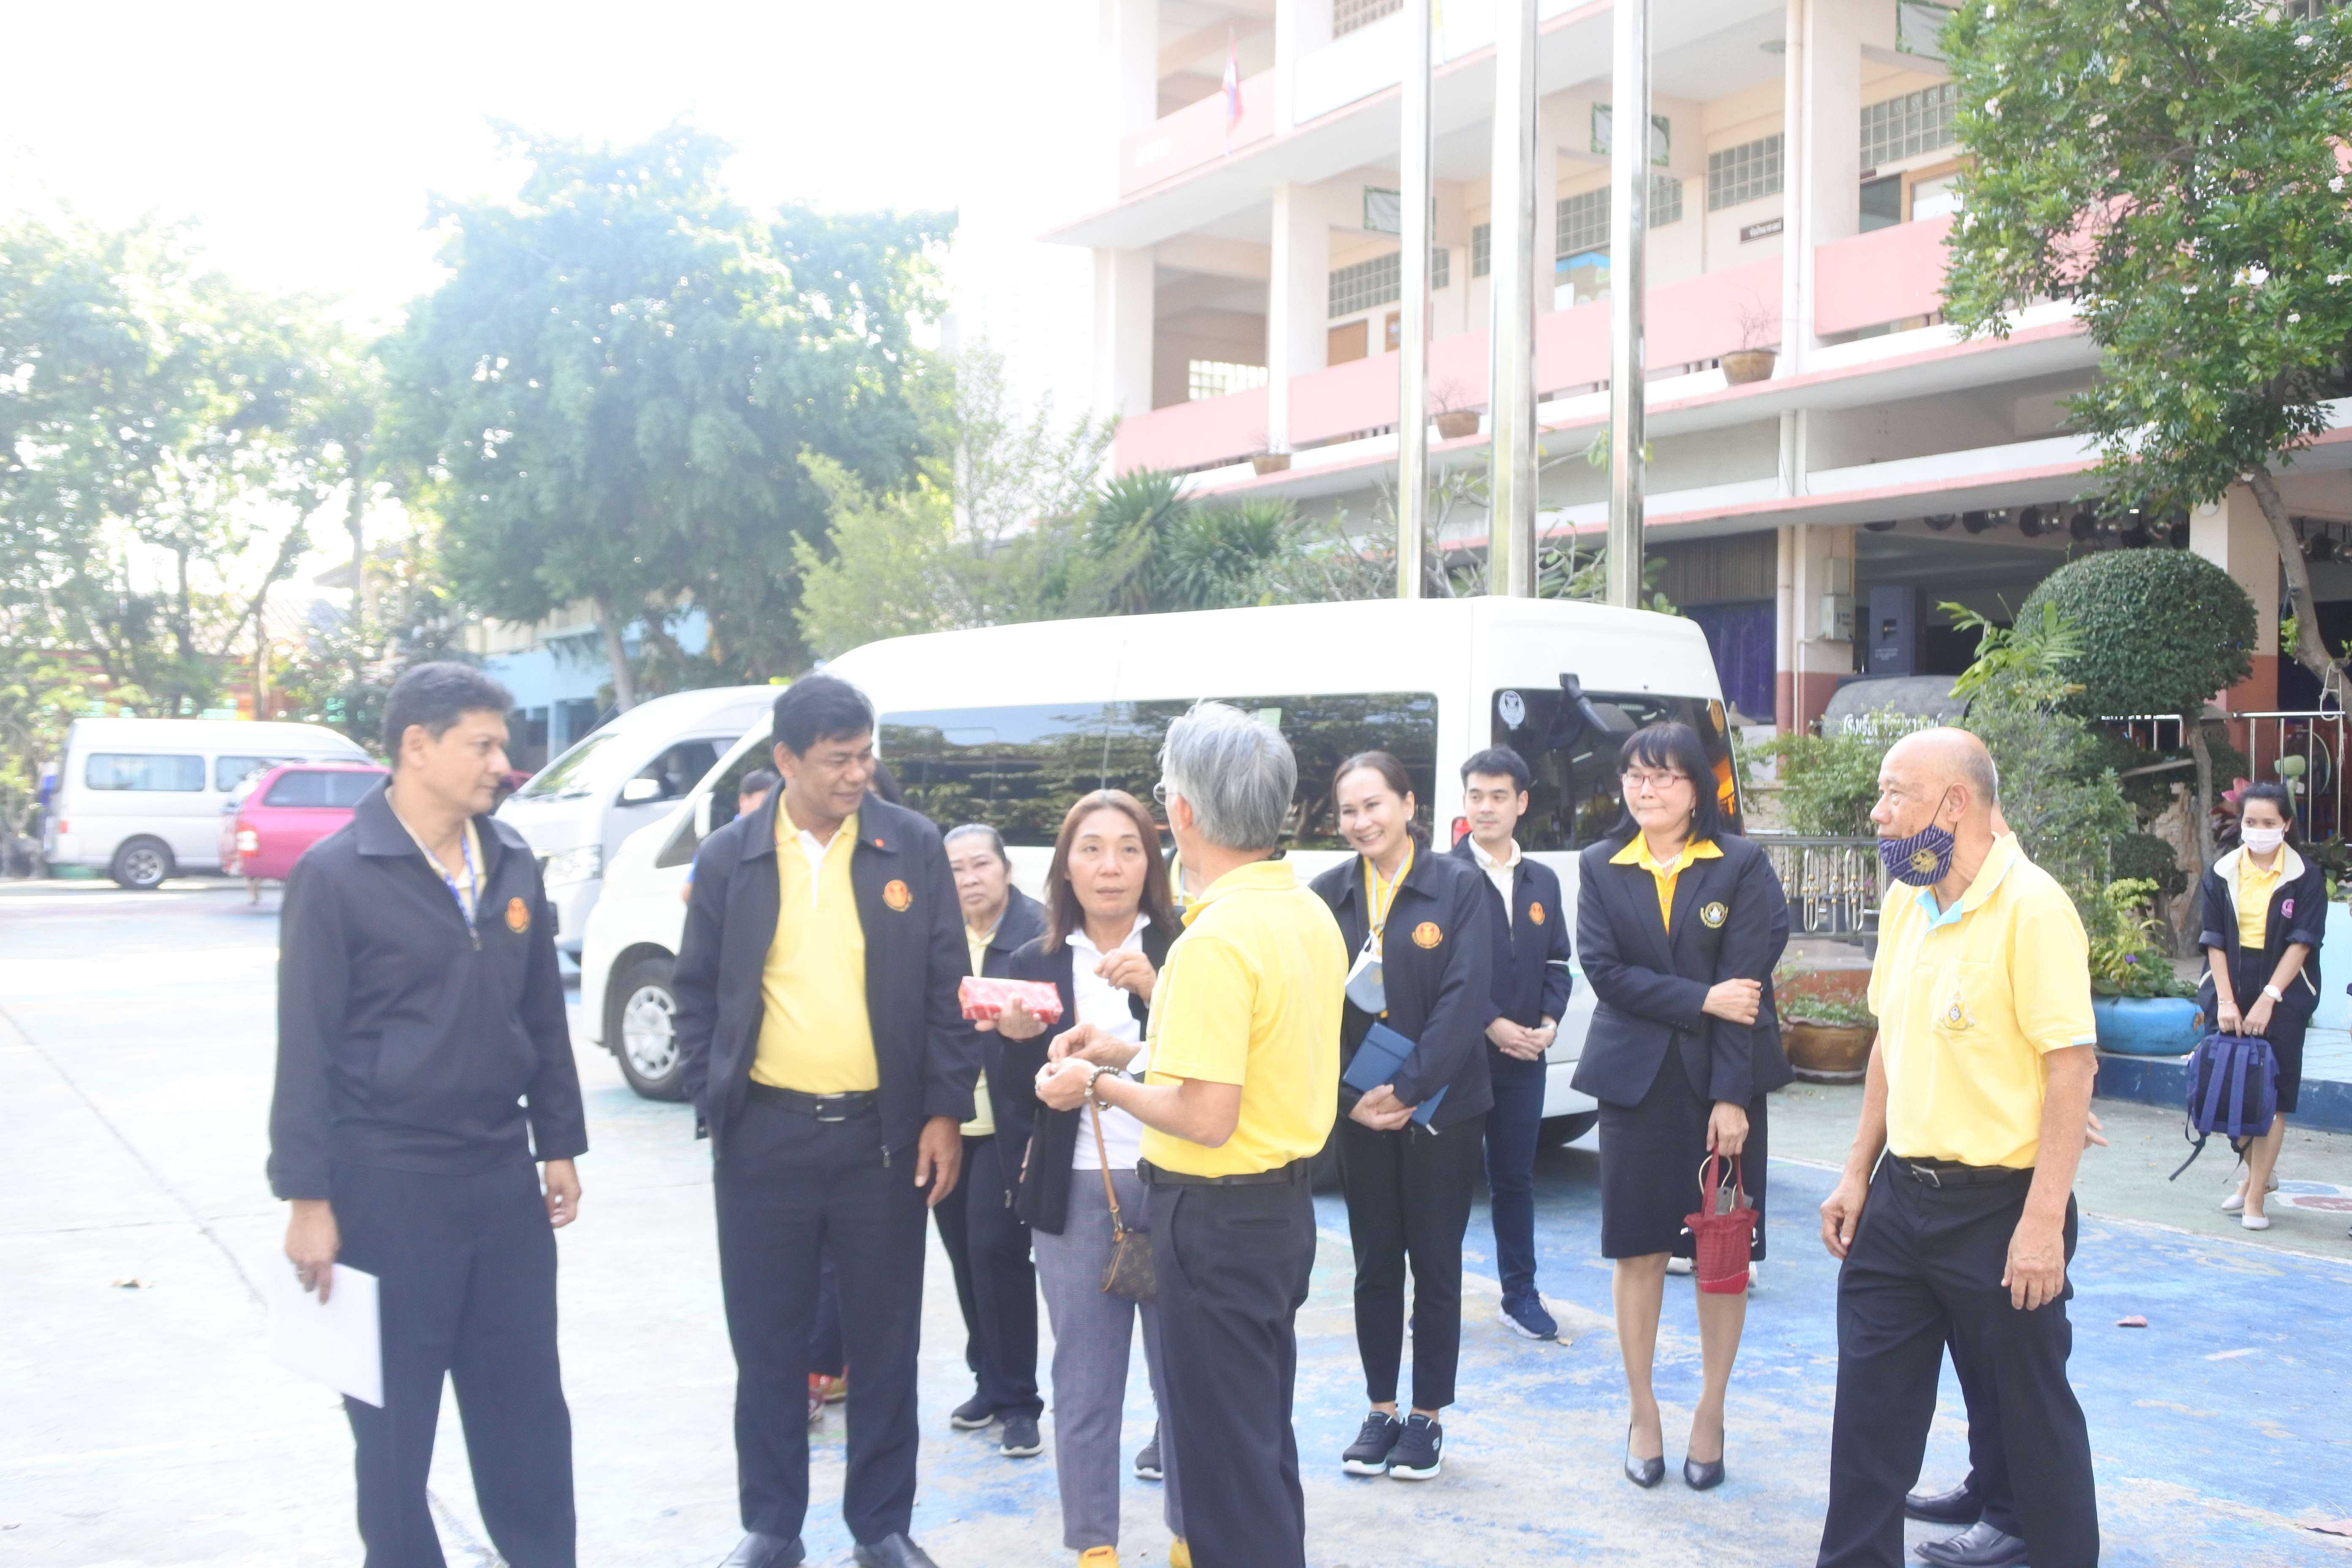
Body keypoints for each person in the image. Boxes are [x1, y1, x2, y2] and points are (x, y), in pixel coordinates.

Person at [271, 662, 587, 1568]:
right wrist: (307, 1199)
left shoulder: (511, 859)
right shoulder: (338, 874)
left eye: (501, 744)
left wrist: (558, 1142)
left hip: (499, 1180)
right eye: (481, 745)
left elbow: (542, 1014)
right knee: (392, 1430)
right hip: (386, 1187)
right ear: (417, 745)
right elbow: (305, 1045)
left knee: (526, 1410)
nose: (501, 764)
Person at [672, 674, 979, 1568]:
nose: (857, 773)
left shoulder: (909, 844)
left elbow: (946, 988)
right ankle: (772, 1524)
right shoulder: (731, 856)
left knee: (885, 1341)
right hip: (763, 1137)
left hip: (880, 1140)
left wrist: (943, 1110)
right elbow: (695, 991)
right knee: (766, 1340)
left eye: (864, 755)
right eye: (837, 758)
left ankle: (880, 1525)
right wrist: (713, 1097)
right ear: (786, 759)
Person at [1034, 702, 1345, 1568]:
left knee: (1221, 1473)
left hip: (1213, 1220)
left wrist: (1097, 1084)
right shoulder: (1305, 912)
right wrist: (1132, 1051)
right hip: (1279, 1212)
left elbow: (1207, 1116)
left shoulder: (1216, 938)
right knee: (1256, 1448)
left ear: (1182, 811)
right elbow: (1254, 1058)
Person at [1815, 728, 2099, 1568]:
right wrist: (1856, 1172)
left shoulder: (2033, 907)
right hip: (1901, 1197)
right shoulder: (1909, 897)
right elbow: (1888, 1042)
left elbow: (2071, 1067)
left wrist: (2042, 1223)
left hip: (2001, 1207)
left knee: (2032, 1415)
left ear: (1953, 803)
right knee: (1867, 1417)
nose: (1877, 812)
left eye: (1893, 792)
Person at [1573, 720, 1789, 1493]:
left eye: (1664, 776)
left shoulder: (1739, 864)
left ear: (1698, 787)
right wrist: (1700, 996)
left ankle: (1710, 1411)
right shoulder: (1602, 865)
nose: (1646, 789)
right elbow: (1605, 972)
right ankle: (1642, 1413)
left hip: (1719, 1087)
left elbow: (1746, 991)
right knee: (1636, 1250)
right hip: (1633, 1085)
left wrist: (1731, 1097)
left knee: (1719, 1255)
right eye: (1635, 775)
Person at [989, 790, 1190, 1567]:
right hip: (1075, 1189)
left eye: (1129, 848)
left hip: (1177, 1180)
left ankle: (1189, 1535)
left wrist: (1156, 993)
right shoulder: (1030, 963)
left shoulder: (1185, 948)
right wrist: (1018, 1047)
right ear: (1065, 867)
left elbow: (1216, 1063)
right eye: (1092, 849)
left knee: (1185, 1377)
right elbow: (1014, 1098)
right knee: (1083, 1381)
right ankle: (1093, 1546)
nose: (1111, 866)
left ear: (1152, 864)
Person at [1309, 751, 1492, 1481]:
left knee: (1436, 1264)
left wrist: (1410, 1088)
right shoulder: (1327, 897)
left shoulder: (1458, 887)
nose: (1362, 822)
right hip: (1361, 1113)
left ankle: (1428, 1416)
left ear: (1409, 805)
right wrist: (1348, 1100)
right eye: (1348, 811)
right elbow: (1311, 1010)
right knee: (1375, 1262)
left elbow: (1464, 999)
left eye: (1374, 805)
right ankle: (1380, 1407)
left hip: (1442, 1109)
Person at [1450, 745, 1573, 1342]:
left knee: (1514, 1180)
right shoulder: (1442, 876)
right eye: (1476, 796)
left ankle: (1519, 1295)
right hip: (1457, 1059)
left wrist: (1548, 1023)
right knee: (1446, 1185)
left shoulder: (1542, 880)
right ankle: (1435, 1299)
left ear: (1522, 803)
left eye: (1499, 796)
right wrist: (1491, 1023)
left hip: (1525, 1059)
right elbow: (1441, 972)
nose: (1486, 807)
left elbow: (1558, 962)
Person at [934, 822, 1047, 1456]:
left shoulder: (1036, 933)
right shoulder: (938, 935)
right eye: (956, 869)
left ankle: (1020, 1402)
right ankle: (989, 1381)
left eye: (981, 864)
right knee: (963, 1255)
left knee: (996, 1253)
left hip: (1011, 1124)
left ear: (1006, 869)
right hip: (951, 1121)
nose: (970, 879)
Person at [2198, 780, 2324, 1232]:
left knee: (2272, 1096)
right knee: (2231, 1086)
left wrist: (2270, 998)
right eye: (2251, 821)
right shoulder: (2221, 872)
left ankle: (2255, 1197)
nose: (2259, 830)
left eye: (2270, 822)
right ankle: (2260, 1175)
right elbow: (2213, 940)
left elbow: (2302, 943)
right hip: (2230, 985)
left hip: (2285, 990)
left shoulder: (2306, 877)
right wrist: (2227, 1000)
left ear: (2286, 825)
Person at [684, 771, 779, 904]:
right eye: (766, 800)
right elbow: (689, 894)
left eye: (776, 800)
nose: (773, 806)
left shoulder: (779, 835)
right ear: (743, 800)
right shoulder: (721, 843)